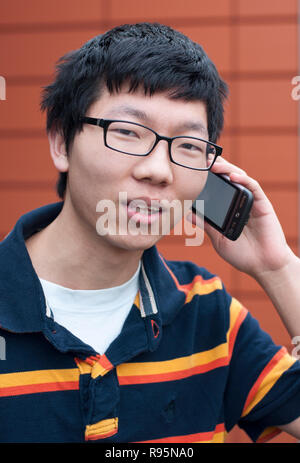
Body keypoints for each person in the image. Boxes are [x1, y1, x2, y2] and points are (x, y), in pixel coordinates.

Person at [0, 22, 300, 444]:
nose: (158, 170)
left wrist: (278, 266)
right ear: (61, 144)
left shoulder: (208, 314)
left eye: (189, 146)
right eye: (126, 132)